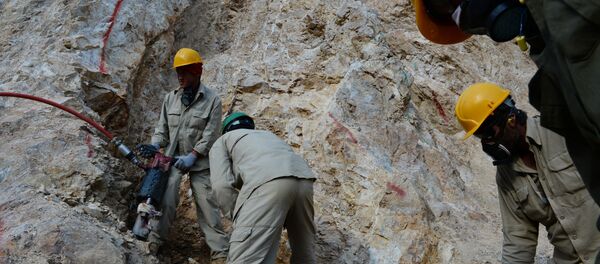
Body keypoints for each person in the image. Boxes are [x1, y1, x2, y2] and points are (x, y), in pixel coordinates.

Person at [411, 0, 600, 205]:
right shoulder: (550, 76)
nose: (461, 18)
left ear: (509, 118)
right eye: (450, 11)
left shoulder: (552, 135)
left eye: (488, 133)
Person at [455, 82, 600, 263]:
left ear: (511, 120)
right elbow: (518, 242)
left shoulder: (562, 130)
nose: (487, 143)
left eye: (489, 133)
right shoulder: (506, 176)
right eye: (480, 137)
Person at [137, 48, 228, 262]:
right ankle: (155, 241)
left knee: (207, 206)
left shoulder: (212, 100)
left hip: (200, 162)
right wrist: (155, 145)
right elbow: (162, 128)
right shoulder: (171, 98)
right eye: (178, 72)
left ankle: (220, 254)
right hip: (172, 159)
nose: (180, 76)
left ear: (196, 72)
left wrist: (194, 155)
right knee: (166, 199)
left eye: (185, 72)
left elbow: (211, 133)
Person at [208, 112, 317, 264]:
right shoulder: (269, 136)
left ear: (226, 130)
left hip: (268, 182)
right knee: (305, 253)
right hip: (304, 180)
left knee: (245, 257)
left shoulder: (223, 140)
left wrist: (239, 219)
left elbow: (221, 186)